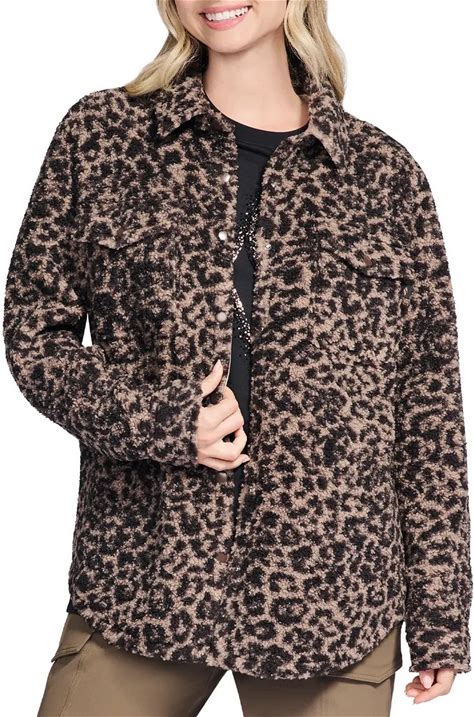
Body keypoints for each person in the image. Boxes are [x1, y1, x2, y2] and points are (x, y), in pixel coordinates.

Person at [3, 1, 471, 715]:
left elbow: (427, 412)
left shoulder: (385, 177)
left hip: (332, 600)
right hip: (144, 583)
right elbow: (35, 334)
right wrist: (163, 421)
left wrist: (441, 614)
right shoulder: (105, 136)